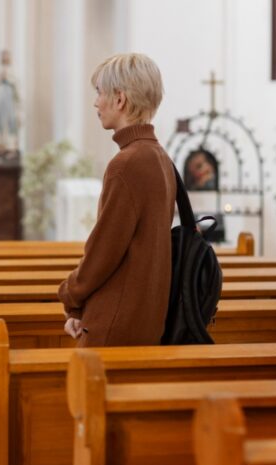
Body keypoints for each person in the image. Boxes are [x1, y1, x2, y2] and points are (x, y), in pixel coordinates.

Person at [57, 53, 176, 346]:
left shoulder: (127, 163)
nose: (96, 103)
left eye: (100, 93)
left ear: (119, 99)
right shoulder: (159, 157)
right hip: (145, 317)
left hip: (115, 324)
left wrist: (70, 295)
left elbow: (104, 250)